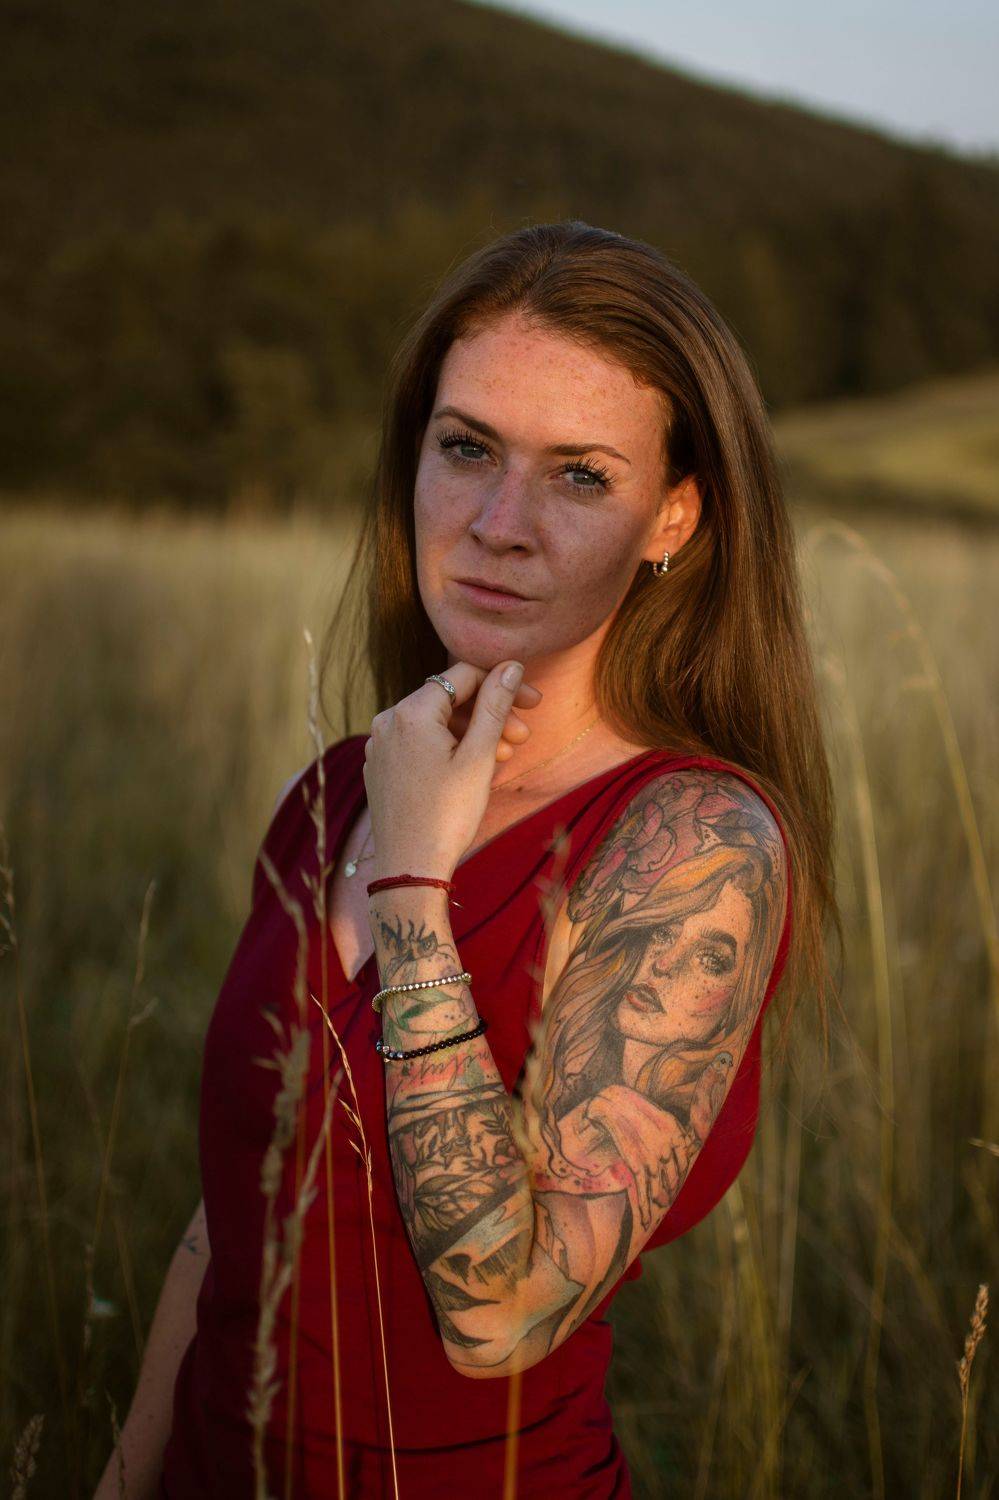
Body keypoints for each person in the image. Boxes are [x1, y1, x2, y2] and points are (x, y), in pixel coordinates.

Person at [95, 220, 839, 1498]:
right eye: (468, 449)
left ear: (674, 516)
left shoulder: (693, 845)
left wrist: (413, 890)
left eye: (580, 476)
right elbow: (231, 1215)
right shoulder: (332, 791)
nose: (499, 524)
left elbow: (499, 1314)